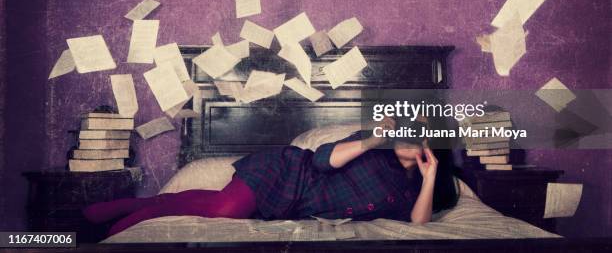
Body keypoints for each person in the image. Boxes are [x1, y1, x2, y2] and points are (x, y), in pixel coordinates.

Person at [83, 117, 458, 236]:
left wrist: (429, 176)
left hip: (295, 205)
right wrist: (373, 136)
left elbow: (419, 224)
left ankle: (139, 205)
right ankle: (135, 210)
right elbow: (324, 160)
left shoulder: (414, 188)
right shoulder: (371, 145)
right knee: (223, 208)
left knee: (220, 206)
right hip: (288, 173)